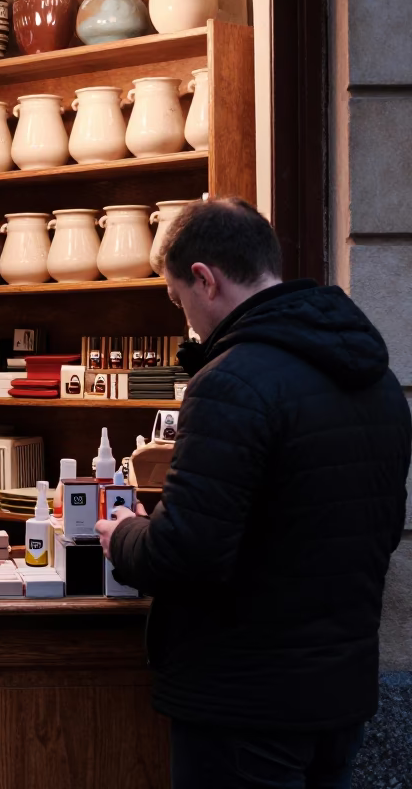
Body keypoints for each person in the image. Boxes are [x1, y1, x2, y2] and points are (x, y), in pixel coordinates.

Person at [95, 198, 411, 789]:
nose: (185, 319)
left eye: (177, 298)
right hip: (340, 697)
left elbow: (184, 554)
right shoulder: (378, 381)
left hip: (243, 705)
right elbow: (374, 530)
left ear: (204, 279)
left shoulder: (232, 382)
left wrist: (125, 535)